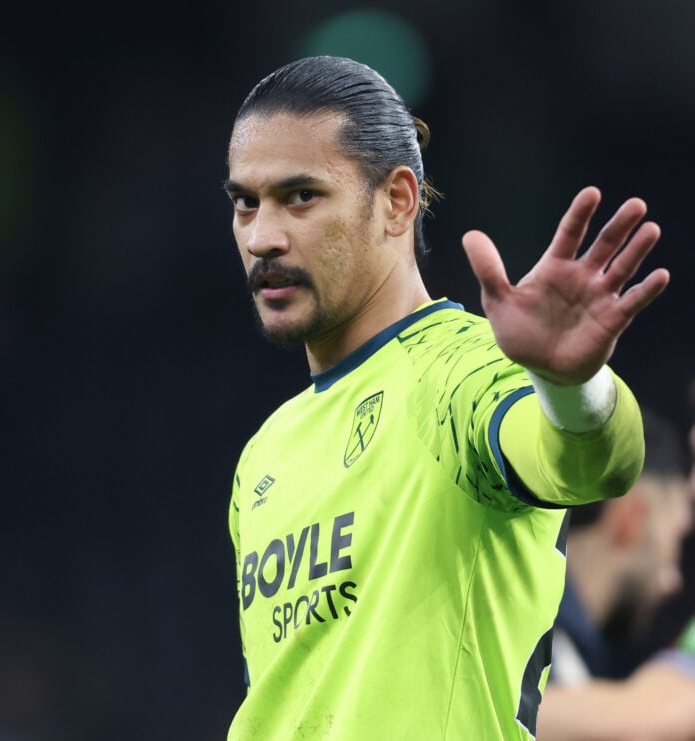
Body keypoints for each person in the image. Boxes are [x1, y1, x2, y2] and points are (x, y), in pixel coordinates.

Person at [224, 56, 669, 740]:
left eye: (302, 196)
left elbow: (591, 464)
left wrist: (571, 383)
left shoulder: (458, 370)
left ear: (397, 201)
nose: (262, 237)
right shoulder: (263, 456)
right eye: (245, 201)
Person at [537, 407, 695, 739]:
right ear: (631, 519)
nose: (673, 582)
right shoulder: (538, 658)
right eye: (673, 543)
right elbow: (642, 723)